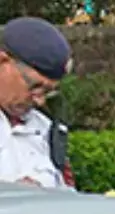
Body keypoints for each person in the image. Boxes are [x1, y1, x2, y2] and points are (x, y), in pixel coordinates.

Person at [0, 17, 74, 190]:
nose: (40, 101)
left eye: (48, 92)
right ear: (3, 62)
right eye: (34, 86)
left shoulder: (46, 130)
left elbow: (67, 194)